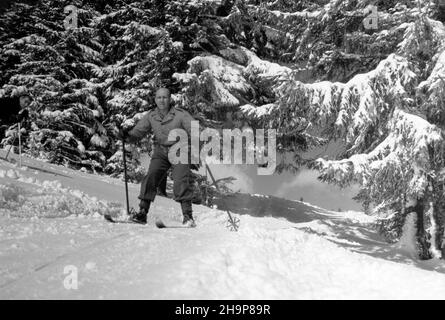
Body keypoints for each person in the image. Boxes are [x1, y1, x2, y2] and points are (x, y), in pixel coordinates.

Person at [120, 88, 196, 226]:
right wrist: (128, 136)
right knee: (151, 176)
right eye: (159, 97)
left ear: (170, 99)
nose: (162, 100)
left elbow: (194, 128)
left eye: (165, 97)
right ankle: (143, 212)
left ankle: (188, 216)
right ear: (155, 99)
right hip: (161, 151)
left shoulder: (180, 114)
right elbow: (139, 131)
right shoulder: (151, 115)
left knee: (180, 181)